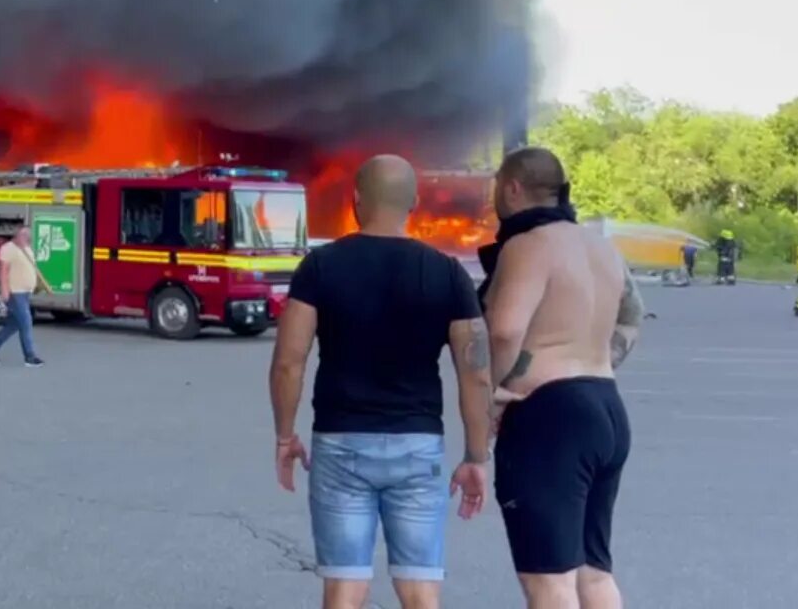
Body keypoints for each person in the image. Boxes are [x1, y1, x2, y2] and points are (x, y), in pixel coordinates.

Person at [269, 156, 491, 609]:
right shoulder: (448, 274)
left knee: (344, 588)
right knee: (420, 591)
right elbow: (476, 373)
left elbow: (289, 362)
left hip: (340, 443)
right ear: (412, 203)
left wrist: (285, 435)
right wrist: (475, 456)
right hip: (418, 445)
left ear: (355, 201)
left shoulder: (320, 267)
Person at [484, 147, 642, 609]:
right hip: (606, 404)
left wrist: (494, 392)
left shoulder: (528, 246)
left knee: (549, 581)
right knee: (593, 573)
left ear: (512, 188)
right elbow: (632, 320)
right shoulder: (601, 246)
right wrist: (596, 364)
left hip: (550, 418)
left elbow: (505, 329)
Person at [0, 225, 49, 366]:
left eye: (28, 235)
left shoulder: (27, 248)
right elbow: (3, 272)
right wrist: (5, 291)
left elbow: (30, 268)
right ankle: (30, 357)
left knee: (13, 325)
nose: (27, 238)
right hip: (15, 293)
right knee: (26, 323)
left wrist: (35, 285)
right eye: (24, 235)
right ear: (18, 235)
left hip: (24, 293)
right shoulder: (8, 249)